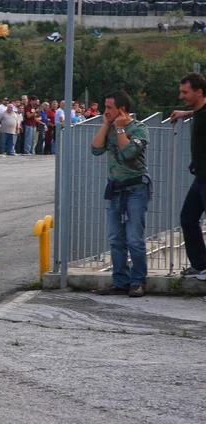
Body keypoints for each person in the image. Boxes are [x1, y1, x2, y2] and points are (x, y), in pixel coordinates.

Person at [91, 91, 150, 297]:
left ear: (121, 110)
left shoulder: (139, 128)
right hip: (115, 189)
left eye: (109, 108)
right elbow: (96, 149)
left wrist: (120, 128)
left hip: (136, 190)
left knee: (134, 238)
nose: (104, 111)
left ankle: (137, 281)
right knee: (115, 238)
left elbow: (128, 152)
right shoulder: (109, 127)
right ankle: (120, 281)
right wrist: (106, 125)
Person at [170, 73, 206, 279]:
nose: (181, 96)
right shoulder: (199, 111)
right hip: (200, 177)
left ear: (198, 92)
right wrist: (187, 113)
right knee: (187, 218)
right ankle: (201, 264)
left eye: (185, 92)